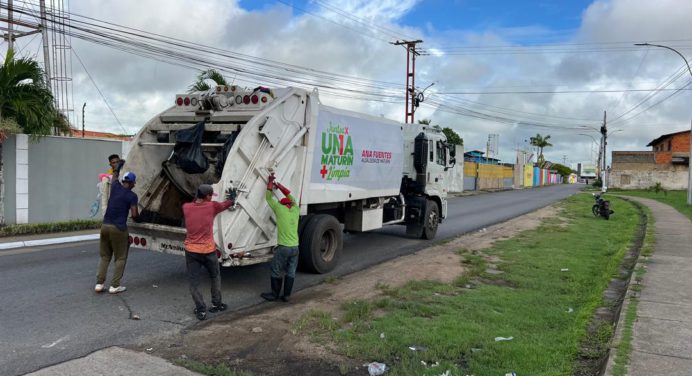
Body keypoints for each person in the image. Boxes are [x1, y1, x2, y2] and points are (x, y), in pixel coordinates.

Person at [182, 184, 235, 320]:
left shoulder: (186, 207)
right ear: (207, 196)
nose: (212, 198)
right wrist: (232, 198)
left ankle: (201, 310)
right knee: (215, 276)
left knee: (194, 281)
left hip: (191, 251)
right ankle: (216, 304)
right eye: (211, 196)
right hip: (208, 250)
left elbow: (194, 203)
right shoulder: (212, 206)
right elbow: (227, 204)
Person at [95, 168, 139, 294]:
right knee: (120, 258)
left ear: (123, 181)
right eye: (134, 183)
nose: (134, 185)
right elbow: (135, 215)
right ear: (131, 183)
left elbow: (114, 177)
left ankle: (99, 284)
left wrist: (117, 168)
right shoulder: (132, 196)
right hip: (118, 228)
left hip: (105, 226)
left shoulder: (115, 187)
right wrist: (139, 218)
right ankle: (114, 285)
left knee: (104, 256)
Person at [261, 173, 300, 302]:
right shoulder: (295, 209)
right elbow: (290, 196)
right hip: (295, 247)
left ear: (283, 204)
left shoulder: (279, 208)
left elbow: (268, 197)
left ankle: (274, 294)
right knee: (291, 270)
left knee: (276, 269)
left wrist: (271, 182)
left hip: (284, 247)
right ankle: (287, 295)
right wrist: (281, 187)